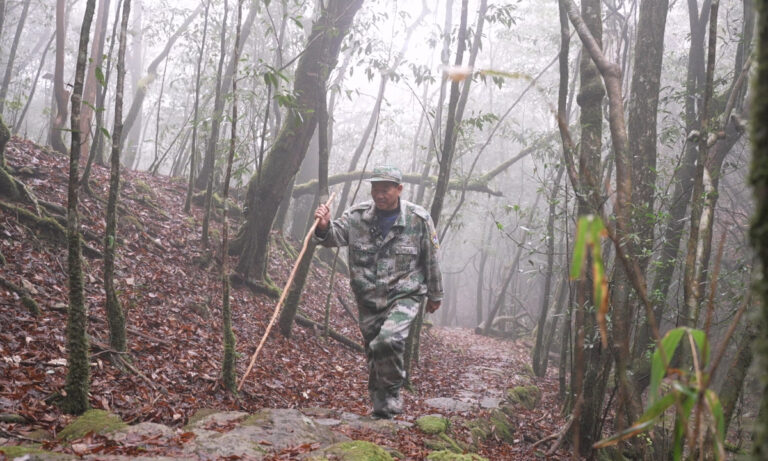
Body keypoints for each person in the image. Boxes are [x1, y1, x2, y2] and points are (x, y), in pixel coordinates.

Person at [313, 165, 443, 418]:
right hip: (368, 297)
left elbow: (432, 259)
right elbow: (332, 238)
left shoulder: (418, 219)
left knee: (388, 340)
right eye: (375, 190)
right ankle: (381, 407)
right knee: (375, 350)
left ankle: (393, 391)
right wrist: (323, 225)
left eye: (385, 190)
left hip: (404, 293)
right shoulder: (357, 216)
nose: (379, 195)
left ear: (399, 189)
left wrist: (435, 294)